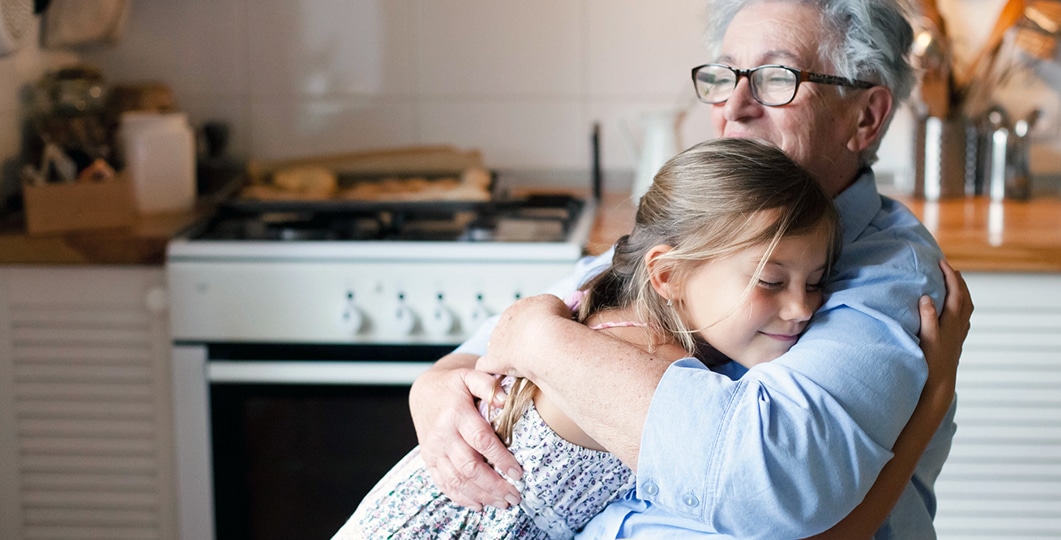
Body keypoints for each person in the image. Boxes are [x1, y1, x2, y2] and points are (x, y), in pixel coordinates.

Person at [410, 0, 971, 538]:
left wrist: (538, 337)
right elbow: (476, 359)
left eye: (777, 78)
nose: (734, 106)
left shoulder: (891, 281)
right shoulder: (709, 229)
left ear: (866, 117)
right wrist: (434, 391)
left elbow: (766, 480)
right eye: (724, 77)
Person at [336, 138, 962, 539]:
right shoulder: (643, 363)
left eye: (819, 281)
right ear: (666, 274)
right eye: (771, 280)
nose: (802, 308)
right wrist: (929, 403)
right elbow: (810, 530)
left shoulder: (627, 305)